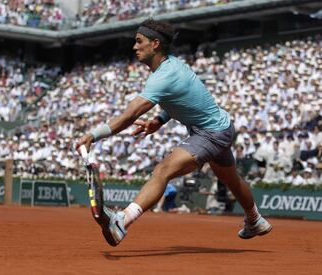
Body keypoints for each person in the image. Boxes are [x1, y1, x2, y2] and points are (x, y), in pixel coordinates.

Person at [75, 19, 272, 246]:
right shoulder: (173, 66)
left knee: (162, 171)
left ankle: (122, 221)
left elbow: (129, 115)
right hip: (221, 127)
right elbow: (180, 100)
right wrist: (159, 119)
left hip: (210, 133)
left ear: (155, 44)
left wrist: (93, 135)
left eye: (139, 41)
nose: (134, 47)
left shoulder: (163, 77)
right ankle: (255, 220)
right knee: (232, 181)